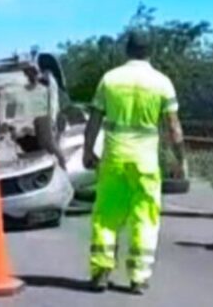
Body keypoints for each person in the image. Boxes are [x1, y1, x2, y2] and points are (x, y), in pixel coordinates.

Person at [83, 31, 186, 295]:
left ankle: (101, 270)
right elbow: (174, 128)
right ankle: (138, 277)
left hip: (114, 157)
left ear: (126, 50)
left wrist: (88, 150)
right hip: (146, 162)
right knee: (145, 218)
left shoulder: (110, 79)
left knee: (106, 215)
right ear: (151, 52)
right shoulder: (162, 82)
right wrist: (180, 159)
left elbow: (94, 119)